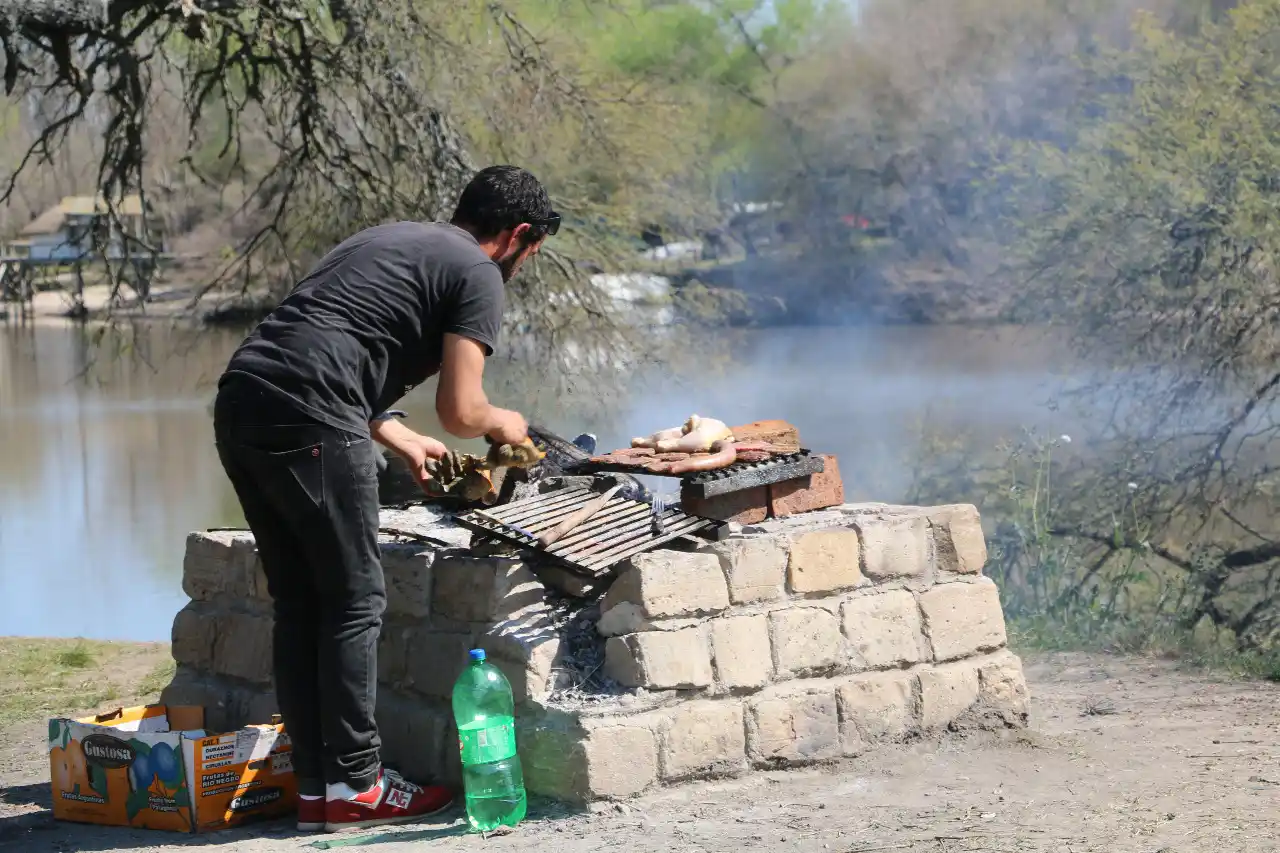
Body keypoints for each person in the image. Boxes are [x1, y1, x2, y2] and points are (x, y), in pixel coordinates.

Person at [210, 165, 558, 833]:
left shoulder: (391, 239)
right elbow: (462, 411)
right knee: (355, 598)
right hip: (312, 414)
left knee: (302, 601)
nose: (524, 266)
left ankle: (320, 788)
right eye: (531, 253)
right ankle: (356, 784)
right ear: (517, 234)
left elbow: (327, 341)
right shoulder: (479, 271)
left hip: (244, 400)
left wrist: (400, 436)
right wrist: (505, 423)